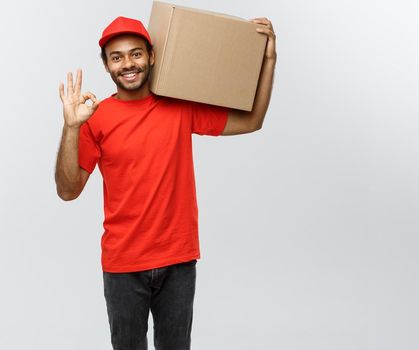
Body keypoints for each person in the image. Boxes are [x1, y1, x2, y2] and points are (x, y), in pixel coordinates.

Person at [53, 15, 276, 349]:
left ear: (152, 56)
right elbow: (67, 191)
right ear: (107, 67)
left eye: (136, 53)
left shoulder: (178, 106)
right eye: (117, 57)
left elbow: (253, 119)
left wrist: (269, 59)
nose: (128, 63)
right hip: (123, 265)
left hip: (178, 261)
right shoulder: (94, 118)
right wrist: (71, 128)